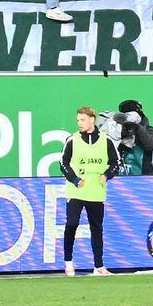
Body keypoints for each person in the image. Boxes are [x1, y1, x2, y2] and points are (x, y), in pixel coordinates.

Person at [61, 106, 119, 276]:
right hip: (77, 191)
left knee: (96, 228)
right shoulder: (72, 140)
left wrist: (107, 175)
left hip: (96, 191)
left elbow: (116, 162)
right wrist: (74, 179)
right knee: (72, 224)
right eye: (78, 120)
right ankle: (68, 263)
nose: (80, 123)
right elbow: (63, 163)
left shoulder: (105, 140)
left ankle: (99, 266)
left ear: (92, 119)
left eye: (83, 120)